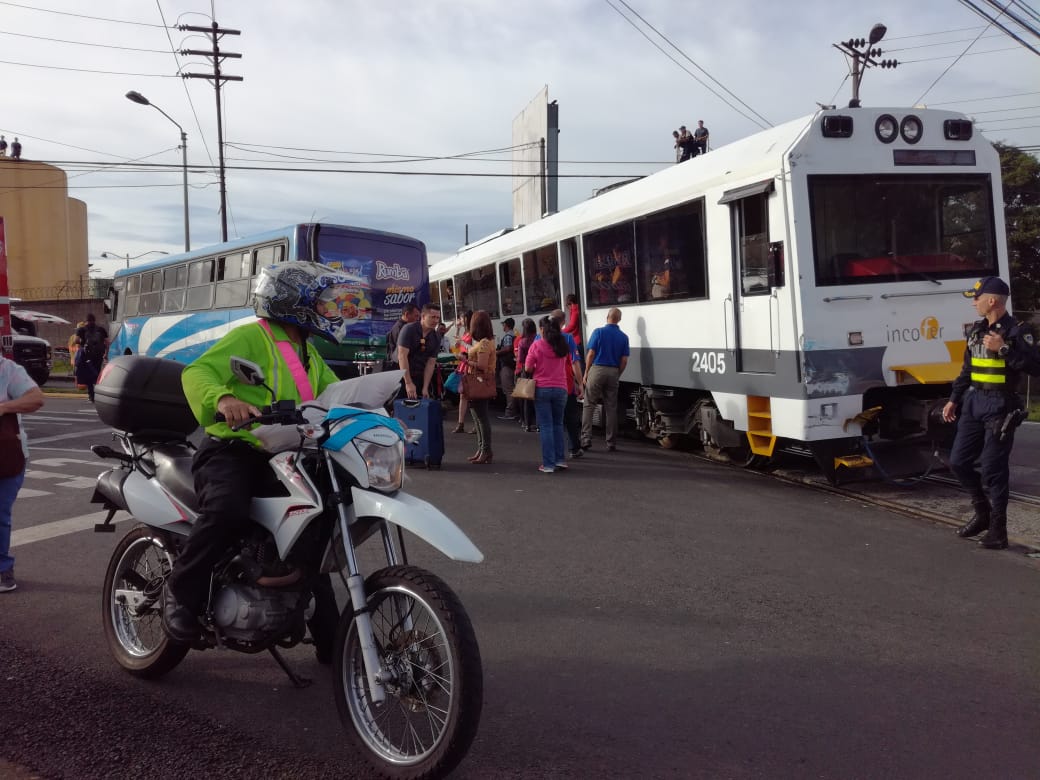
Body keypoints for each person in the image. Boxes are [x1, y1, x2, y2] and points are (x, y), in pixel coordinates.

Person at [163, 261, 351, 658]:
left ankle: (330, 636)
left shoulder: (307, 352)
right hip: (232, 449)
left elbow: (336, 397)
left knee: (316, 521)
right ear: (292, 302)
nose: (332, 309)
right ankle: (181, 597)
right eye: (324, 302)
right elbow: (197, 373)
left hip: (284, 455)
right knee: (227, 509)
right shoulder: (252, 337)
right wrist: (224, 399)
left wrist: (371, 410)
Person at [942, 276, 1040, 550]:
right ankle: (982, 514)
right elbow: (967, 369)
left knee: (993, 469)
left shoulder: (1019, 331)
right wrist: (954, 399)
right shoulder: (976, 330)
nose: (973, 303)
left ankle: (998, 531)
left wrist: (1004, 349)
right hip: (974, 401)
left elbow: (1035, 367)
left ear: (992, 300)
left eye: (977, 298)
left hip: (1001, 405)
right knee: (959, 462)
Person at [0, 355, 45, 593]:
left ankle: (2, 569)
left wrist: (4, 407)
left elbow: (36, 398)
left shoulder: (8, 370)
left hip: (5, 457)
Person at [581, 307, 630, 452]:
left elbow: (591, 354)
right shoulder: (624, 337)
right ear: (619, 319)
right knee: (611, 408)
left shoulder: (598, 332)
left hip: (597, 369)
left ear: (607, 316)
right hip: (613, 371)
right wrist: (617, 373)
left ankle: (586, 439)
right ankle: (611, 442)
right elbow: (624, 360)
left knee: (589, 404)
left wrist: (586, 372)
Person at [462, 310, 497, 464]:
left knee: (481, 419)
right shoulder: (485, 342)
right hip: (478, 382)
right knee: (477, 418)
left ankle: (485, 450)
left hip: (479, 382)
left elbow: (482, 365)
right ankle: (482, 449)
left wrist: (464, 360)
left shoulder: (483, 343)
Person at [551, 308, 585, 458]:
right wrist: (581, 384)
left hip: (546, 385)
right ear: (563, 322)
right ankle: (574, 448)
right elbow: (575, 363)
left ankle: (554, 453)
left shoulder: (540, 338)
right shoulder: (568, 338)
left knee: (552, 421)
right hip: (566, 384)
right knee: (570, 418)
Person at [397, 303, 442, 399]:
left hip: (420, 375)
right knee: (400, 407)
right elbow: (402, 356)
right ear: (423, 316)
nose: (435, 321)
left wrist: (425, 387)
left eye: (437, 318)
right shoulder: (408, 329)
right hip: (400, 374)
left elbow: (431, 363)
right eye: (432, 317)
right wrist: (408, 382)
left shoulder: (436, 336)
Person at [75, 313, 109, 402]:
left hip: (87, 356)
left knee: (89, 375)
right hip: (99, 355)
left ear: (86, 321)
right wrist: (106, 353)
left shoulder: (82, 329)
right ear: (95, 320)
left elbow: (76, 340)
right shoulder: (101, 329)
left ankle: (91, 395)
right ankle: (99, 393)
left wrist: (82, 342)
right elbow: (107, 342)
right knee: (97, 374)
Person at [452, 310, 474, 433]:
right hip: (463, 364)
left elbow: (471, 349)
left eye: (462, 317)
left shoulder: (473, 332)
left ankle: (468, 423)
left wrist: (462, 342)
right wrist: (457, 330)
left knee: (469, 395)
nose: (460, 320)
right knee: (463, 395)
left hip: (469, 364)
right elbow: (456, 345)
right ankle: (461, 423)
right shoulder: (465, 332)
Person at [514, 318, 538, 432]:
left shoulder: (522, 342)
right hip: (538, 370)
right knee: (537, 398)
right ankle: (538, 423)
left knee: (526, 398)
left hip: (525, 370)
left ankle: (527, 423)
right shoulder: (537, 340)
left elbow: (520, 359)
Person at [384, 302, 419, 370]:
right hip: (400, 366)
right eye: (416, 316)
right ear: (407, 314)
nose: (418, 319)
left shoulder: (403, 326)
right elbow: (404, 352)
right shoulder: (402, 328)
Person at [496, 317, 518, 420]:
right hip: (512, 365)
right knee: (511, 388)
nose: (502, 326)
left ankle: (510, 412)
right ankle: (514, 410)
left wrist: (497, 352)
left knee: (508, 389)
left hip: (506, 365)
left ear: (507, 325)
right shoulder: (514, 335)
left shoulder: (508, 336)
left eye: (503, 324)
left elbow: (508, 348)